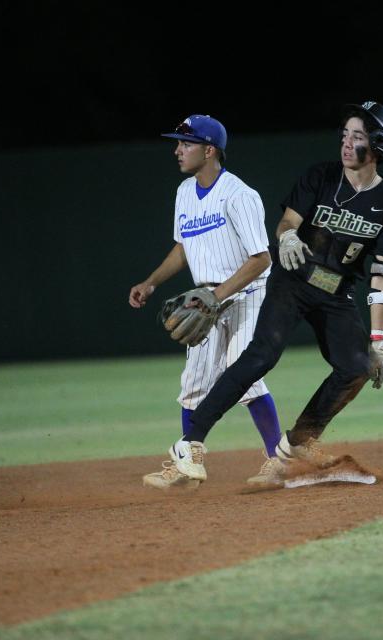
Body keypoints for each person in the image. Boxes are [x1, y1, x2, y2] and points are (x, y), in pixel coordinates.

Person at [153, 100, 383, 486]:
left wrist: (378, 341)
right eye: (345, 134)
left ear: (379, 146)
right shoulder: (320, 176)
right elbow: (288, 220)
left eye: (357, 136)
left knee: (356, 367)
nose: (346, 142)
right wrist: (287, 234)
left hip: (336, 294)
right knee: (260, 357)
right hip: (293, 280)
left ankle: (295, 447)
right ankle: (191, 443)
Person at [129, 114, 282, 489]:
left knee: (242, 375)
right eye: (178, 143)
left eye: (186, 143)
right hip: (205, 300)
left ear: (209, 149)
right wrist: (151, 282)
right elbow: (184, 248)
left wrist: (217, 295)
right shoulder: (184, 192)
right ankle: (187, 466)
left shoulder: (240, 195)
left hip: (247, 294)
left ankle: (279, 461)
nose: (177, 150)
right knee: (194, 385)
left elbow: (262, 258)